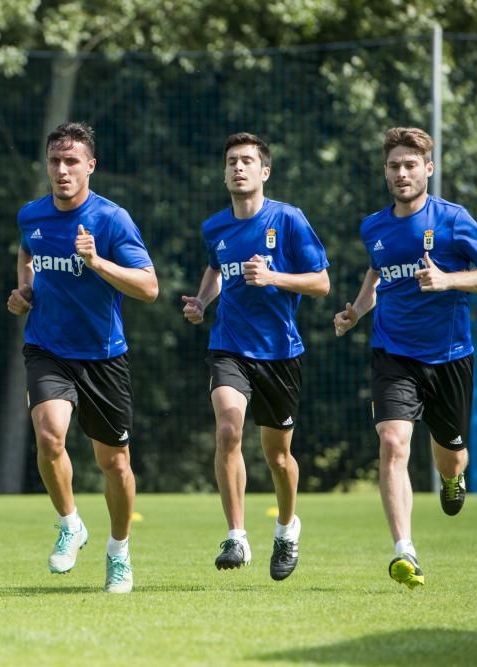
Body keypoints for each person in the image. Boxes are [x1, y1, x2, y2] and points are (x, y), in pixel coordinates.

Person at [333, 127, 477, 589]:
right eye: (394, 165)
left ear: (428, 169)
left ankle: (453, 479)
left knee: (450, 458)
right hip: (392, 354)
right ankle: (404, 550)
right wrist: (356, 311)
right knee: (393, 443)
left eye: (411, 165)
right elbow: (378, 275)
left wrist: (450, 281)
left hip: (450, 356)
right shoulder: (373, 227)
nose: (402, 173)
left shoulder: (453, 220)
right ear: (385, 172)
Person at [7, 122, 158, 593]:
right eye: (55, 160)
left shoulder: (112, 220)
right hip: (47, 348)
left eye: (71, 161)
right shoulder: (31, 215)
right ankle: (70, 521)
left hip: (103, 356)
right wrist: (25, 292)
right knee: (50, 436)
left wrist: (97, 263)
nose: (62, 169)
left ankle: (119, 551)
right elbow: (27, 254)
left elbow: (149, 288)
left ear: (90, 166)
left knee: (114, 463)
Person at [182, 132, 329, 581]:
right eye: (231, 162)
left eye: (247, 161)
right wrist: (203, 303)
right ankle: (236, 536)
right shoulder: (215, 227)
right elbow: (214, 267)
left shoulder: (288, 220)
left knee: (278, 457)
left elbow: (321, 283)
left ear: (264, 171)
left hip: (280, 354)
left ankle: (286, 529)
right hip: (228, 346)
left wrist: (273, 278)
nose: (238, 168)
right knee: (228, 428)